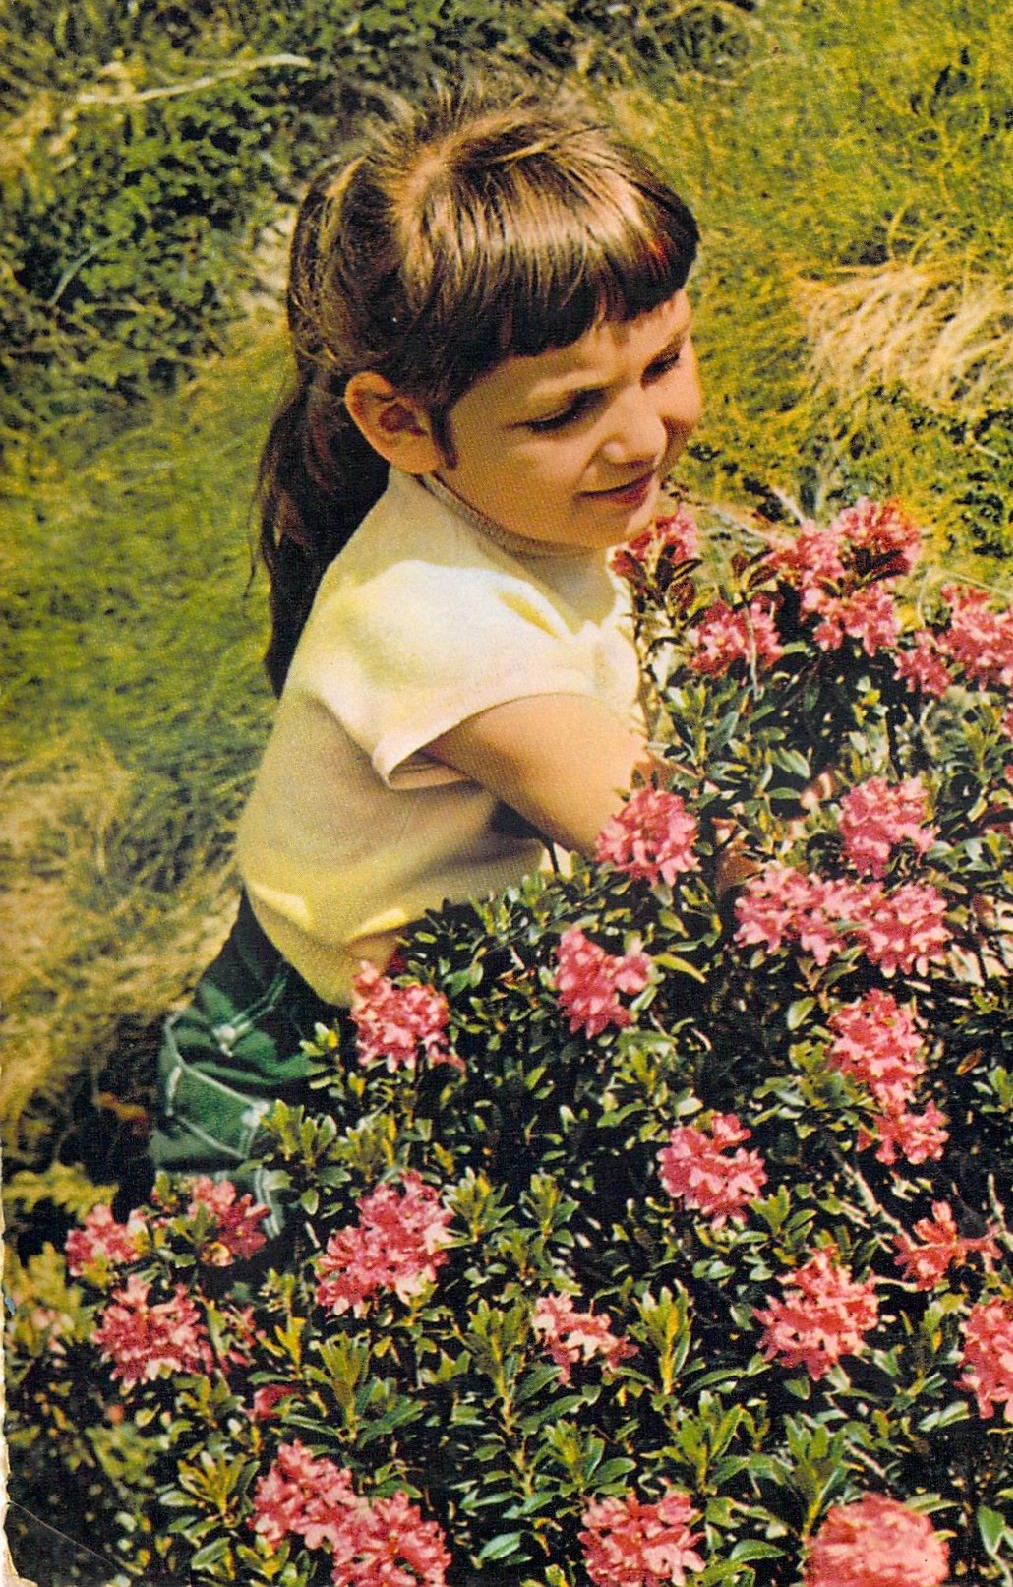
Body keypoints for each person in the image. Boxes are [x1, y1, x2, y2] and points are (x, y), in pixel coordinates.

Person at [148, 85, 703, 1204]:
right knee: (279, 1365)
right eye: (567, 411)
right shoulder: (439, 629)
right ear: (399, 422)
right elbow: (675, 839)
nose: (642, 433)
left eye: (663, 362)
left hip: (414, 1019)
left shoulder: (527, 506)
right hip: (281, 1085)